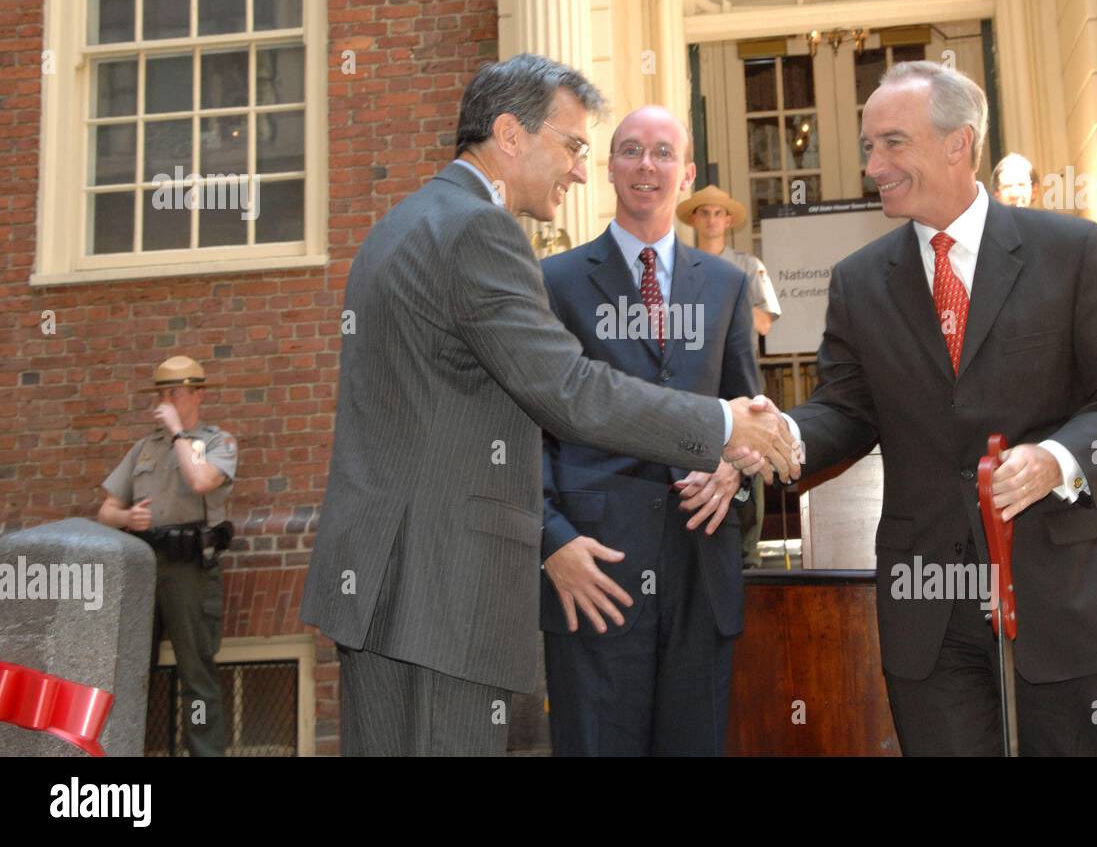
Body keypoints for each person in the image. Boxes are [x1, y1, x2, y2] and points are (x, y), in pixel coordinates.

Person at [300, 54, 797, 757]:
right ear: (510, 134)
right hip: (442, 590)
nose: (577, 169)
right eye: (572, 145)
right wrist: (721, 423)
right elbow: (568, 389)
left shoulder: (403, 221)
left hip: (389, 586)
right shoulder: (481, 230)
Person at [782, 60, 1097, 755]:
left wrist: (1057, 459)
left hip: (1063, 599)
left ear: (959, 143)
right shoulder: (860, 282)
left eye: (892, 142)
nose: (873, 163)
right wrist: (779, 434)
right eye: (868, 146)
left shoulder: (1069, 250)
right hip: (931, 611)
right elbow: (843, 410)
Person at [539, 107, 760, 756]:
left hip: (701, 571)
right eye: (630, 150)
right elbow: (526, 428)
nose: (645, 165)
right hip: (595, 575)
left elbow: (750, 415)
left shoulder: (726, 285)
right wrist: (552, 541)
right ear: (608, 167)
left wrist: (734, 467)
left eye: (663, 153)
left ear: (686, 174)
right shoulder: (553, 283)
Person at [97, 355, 238, 757]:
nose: (166, 400)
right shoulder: (144, 449)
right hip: (143, 565)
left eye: (174, 392)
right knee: (131, 672)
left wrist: (179, 433)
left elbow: (200, 481)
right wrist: (127, 516)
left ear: (199, 394)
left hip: (189, 568)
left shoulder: (217, 443)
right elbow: (105, 511)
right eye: (162, 393)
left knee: (196, 674)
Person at [680, 184, 783, 569]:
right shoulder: (677, 265)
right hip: (696, 378)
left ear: (728, 220)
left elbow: (764, 323)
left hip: (739, 375)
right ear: (694, 219)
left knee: (749, 457)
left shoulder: (747, 265)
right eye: (703, 212)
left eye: (717, 213)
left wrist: (721, 305)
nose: (710, 219)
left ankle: (748, 552)